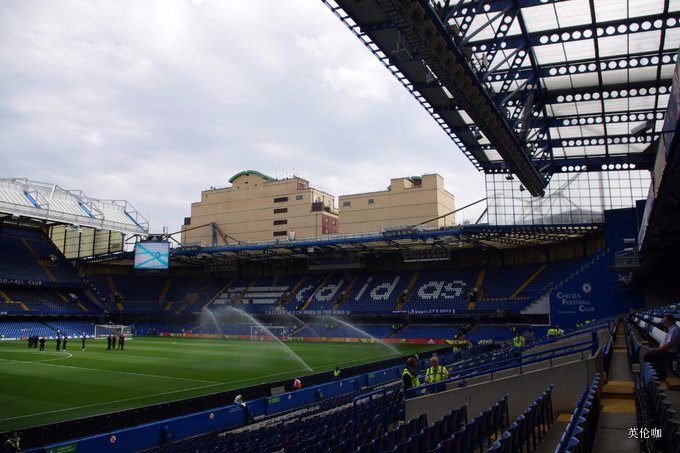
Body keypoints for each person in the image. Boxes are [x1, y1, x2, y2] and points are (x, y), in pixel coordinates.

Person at [644, 314, 680, 379]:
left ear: (671, 321)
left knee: (648, 356)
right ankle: (660, 374)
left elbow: (669, 344)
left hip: (669, 352)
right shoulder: (672, 329)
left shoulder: (674, 329)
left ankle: (661, 376)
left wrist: (657, 349)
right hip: (666, 351)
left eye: (665, 322)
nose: (664, 324)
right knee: (650, 354)